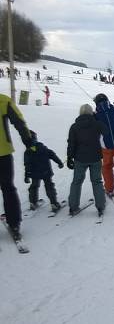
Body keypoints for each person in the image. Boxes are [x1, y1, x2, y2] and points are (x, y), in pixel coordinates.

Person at [0, 94, 33, 240]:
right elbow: (19, 122)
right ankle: (14, 223)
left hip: (4, 152)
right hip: (3, 153)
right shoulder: (3, 100)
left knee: (8, 188)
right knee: (8, 188)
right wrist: (28, 141)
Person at [67, 104, 107, 217]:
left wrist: (70, 157)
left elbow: (71, 143)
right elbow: (106, 131)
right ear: (91, 112)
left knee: (76, 182)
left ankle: (73, 206)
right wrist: (97, 119)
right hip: (95, 157)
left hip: (80, 158)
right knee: (97, 181)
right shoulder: (97, 124)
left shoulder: (74, 126)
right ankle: (100, 206)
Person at [24, 130, 64, 212]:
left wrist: (27, 175)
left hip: (35, 174)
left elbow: (27, 164)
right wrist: (59, 163)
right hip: (46, 172)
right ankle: (54, 203)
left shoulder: (27, 152)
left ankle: (33, 202)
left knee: (34, 186)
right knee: (49, 186)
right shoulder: (42, 148)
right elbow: (52, 155)